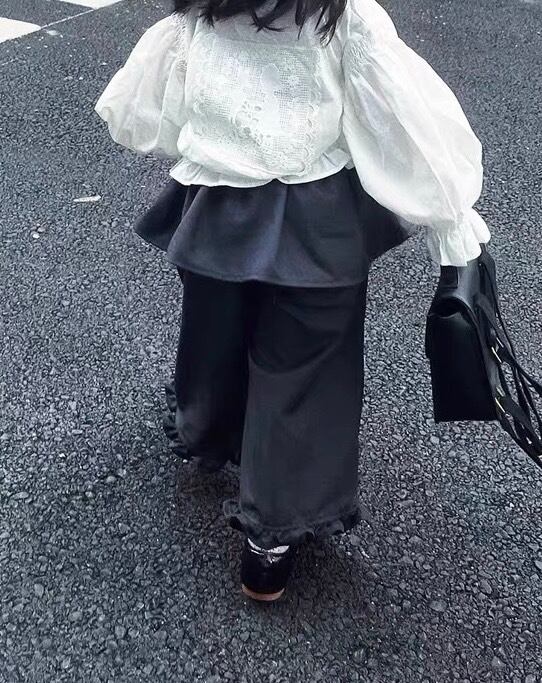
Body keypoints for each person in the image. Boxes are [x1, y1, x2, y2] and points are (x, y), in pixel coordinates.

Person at [95, 0, 490, 601]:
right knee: (304, 373)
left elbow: (142, 118)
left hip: (218, 210)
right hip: (317, 217)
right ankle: (269, 545)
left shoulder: (199, 16)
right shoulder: (344, 18)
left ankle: (207, 432)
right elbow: (404, 126)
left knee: (215, 340)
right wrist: (453, 226)